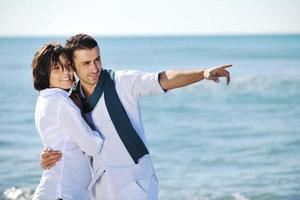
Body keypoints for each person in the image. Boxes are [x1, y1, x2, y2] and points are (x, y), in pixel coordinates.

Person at [41, 34, 232, 200]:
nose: (95, 67)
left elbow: (163, 79)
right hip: (100, 189)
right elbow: (66, 137)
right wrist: (46, 156)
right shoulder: (71, 100)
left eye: (97, 59)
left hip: (136, 183)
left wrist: (203, 73)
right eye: (86, 63)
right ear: (73, 67)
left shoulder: (122, 81)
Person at [31, 43, 104, 200]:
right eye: (57, 68)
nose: (67, 72)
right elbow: (92, 146)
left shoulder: (45, 98)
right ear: (45, 73)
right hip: (61, 193)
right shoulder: (60, 101)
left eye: (68, 65)